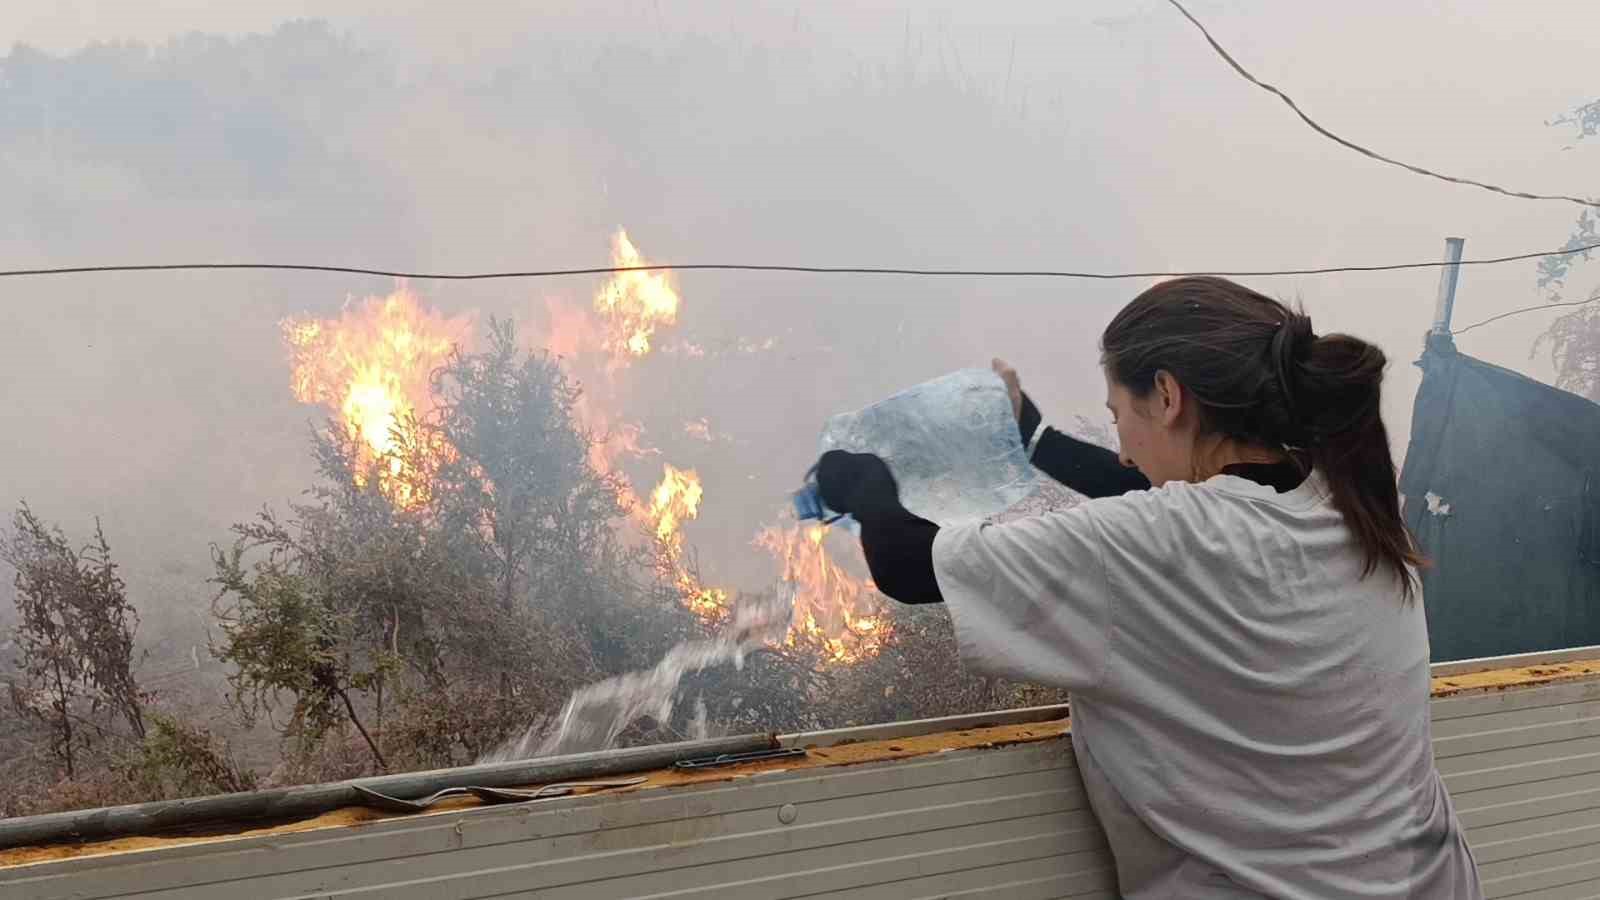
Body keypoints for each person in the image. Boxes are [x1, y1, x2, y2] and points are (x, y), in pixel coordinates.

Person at [815, 276, 1483, 899]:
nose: (1126, 450)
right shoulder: (1347, 496)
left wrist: (863, 470)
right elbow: (1172, 502)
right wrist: (1035, 438)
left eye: (1118, 418)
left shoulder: (1161, 545)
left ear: (1167, 396)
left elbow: (906, 564)